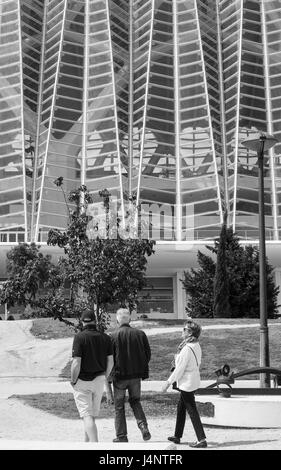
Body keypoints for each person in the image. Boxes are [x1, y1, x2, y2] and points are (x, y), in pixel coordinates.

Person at [162, 319, 207, 448]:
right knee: (181, 407)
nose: (182, 331)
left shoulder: (187, 348)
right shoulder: (196, 345)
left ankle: (201, 439)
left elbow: (179, 369)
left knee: (192, 410)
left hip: (187, 383)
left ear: (190, 333)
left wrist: (168, 382)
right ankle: (177, 436)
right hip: (191, 381)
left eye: (185, 329)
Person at [70, 311, 113, 442]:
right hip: (99, 379)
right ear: (95, 321)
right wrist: (104, 375)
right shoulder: (106, 337)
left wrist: (73, 380)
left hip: (82, 380)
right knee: (91, 415)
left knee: (87, 416)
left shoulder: (79, 337)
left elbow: (76, 362)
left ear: (82, 322)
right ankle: (87, 444)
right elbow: (110, 361)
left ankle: (95, 445)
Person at [110, 307, 151, 442]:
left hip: (120, 376)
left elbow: (110, 359)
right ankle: (143, 426)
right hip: (135, 375)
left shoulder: (113, 336)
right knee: (135, 402)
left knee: (119, 406)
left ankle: (121, 436)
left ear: (117, 320)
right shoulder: (140, 334)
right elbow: (147, 355)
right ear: (130, 319)